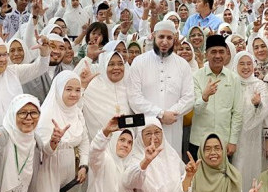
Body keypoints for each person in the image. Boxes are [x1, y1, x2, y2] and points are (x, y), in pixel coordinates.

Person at [127, 22, 194, 154]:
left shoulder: (182, 65)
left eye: (169, 38)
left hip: (173, 126)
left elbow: (189, 98)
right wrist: (160, 114)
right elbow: (134, 98)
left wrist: (171, 114)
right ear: (153, 36)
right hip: (146, 126)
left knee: (172, 165)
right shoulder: (139, 62)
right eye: (161, 37)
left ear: (174, 39)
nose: (165, 42)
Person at [189, 35, 243, 159]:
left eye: (221, 52)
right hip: (199, 141)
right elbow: (196, 110)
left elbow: (237, 113)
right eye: (213, 52)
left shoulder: (233, 78)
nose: (217, 56)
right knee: (197, 177)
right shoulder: (196, 77)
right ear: (206, 54)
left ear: (227, 54)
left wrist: (233, 141)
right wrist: (205, 97)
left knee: (222, 178)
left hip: (223, 143)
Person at [230, 51, 268, 192]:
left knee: (251, 169)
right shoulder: (232, 82)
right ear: (236, 65)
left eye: (249, 63)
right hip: (234, 136)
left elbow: (265, 110)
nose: (246, 67)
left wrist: (257, 104)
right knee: (236, 169)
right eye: (242, 63)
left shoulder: (259, 84)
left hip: (253, 137)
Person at [82, 50, 130, 138]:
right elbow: (75, 103)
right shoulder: (92, 88)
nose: (116, 67)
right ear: (103, 67)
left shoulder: (130, 87)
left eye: (120, 64)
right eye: (111, 64)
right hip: (101, 146)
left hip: (127, 145)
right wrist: (82, 86)